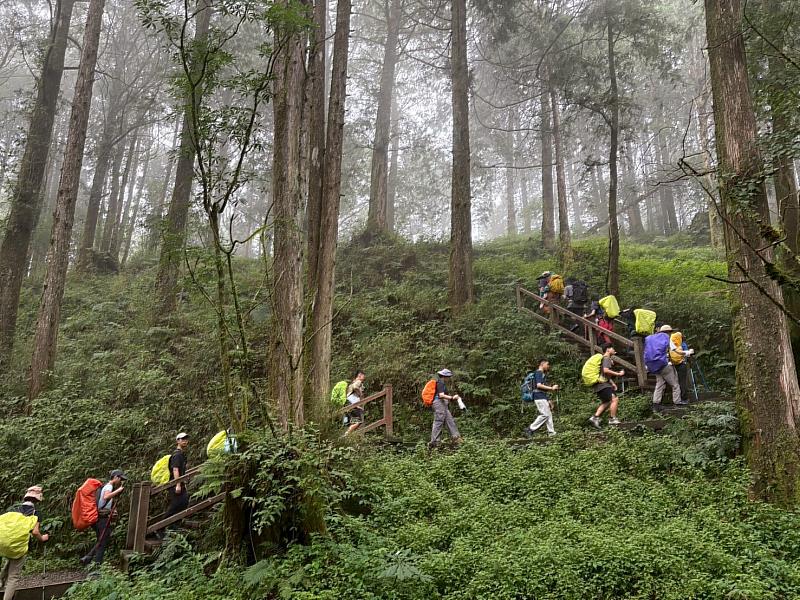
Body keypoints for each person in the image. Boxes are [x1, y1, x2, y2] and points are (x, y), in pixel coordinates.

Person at [0, 487, 49, 600]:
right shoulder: (35, 513)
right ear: (37, 500)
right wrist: (43, 538)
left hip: (4, 543)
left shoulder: (14, 509)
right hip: (19, 546)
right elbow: (35, 532)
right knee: (13, 576)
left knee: (10, 559)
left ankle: (1, 580)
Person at [80, 470, 126, 566]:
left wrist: (112, 511)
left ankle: (89, 559)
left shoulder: (106, 486)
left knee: (101, 540)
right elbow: (106, 497)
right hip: (102, 519)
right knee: (102, 541)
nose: (121, 481)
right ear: (116, 477)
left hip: (99, 518)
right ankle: (95, 563)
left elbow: (104, 502)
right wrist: (119, 490)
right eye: (120, 479)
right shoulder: (109, 486)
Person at [646, 325, 685, 409]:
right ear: (668, 332)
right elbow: (676, 350)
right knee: (675, 384)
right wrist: (687, 352)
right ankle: (677, 402)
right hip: (664, 364)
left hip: (654, 365)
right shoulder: (667, 338)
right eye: (670, 332)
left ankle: (656, 404)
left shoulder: (651, 338)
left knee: (659, 384)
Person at [588, 343, 625, 429]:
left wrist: (612, 383)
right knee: (614, 399)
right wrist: (618, 374)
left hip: (599, 385)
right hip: (603, 385)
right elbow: (606, 370)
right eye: (612, 348)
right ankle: (612, 419)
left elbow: (603, 374)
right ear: (608, 349)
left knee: (607, 401)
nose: (614, 350)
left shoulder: (603, 359)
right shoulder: (606, 358)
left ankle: (595, 418)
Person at [522, 359, 559, 438]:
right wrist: (552, 388)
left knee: (548, 414)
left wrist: (548, 400)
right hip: (538, 397)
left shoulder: (541, 374)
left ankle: (552, 433)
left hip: (542, 396)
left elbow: (542, 390)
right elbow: (539, 385)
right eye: (547, 364)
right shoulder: (538, 372)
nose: (548, 366)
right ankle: (530, 429)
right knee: (545, 414)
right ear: (542, 364)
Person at [429, 369, 463, 449]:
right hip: (439, 403)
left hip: (443, 404)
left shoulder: (442, 383)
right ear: (444, 376)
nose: (449, 378)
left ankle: (456, 438)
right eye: (448, 377)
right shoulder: (440, 383)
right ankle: (435, 441)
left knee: (449, 420)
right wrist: (452, 397)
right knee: (439, 421)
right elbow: (441, 395)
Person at [165, 433, 190, 521]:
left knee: (183, 503)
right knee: (176, 505)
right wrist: (178, 485)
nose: (185, 441)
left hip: (179, 482)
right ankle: (163, 525)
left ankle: (174, 524)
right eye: (182, 439)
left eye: (186, 439)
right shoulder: (177, 455)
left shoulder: (181, 454)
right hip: (175, 484)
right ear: (177, 441)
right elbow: (175, 469)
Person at [669, 330, 695, 403]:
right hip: (682, 364)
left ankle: (677, 398)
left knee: (675, 382)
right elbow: (687, 354)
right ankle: (684, 398)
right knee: (682, 381)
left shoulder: (671, 343)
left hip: (673, 364)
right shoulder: (682, 344)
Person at [344, 370, 367, 436]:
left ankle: (349, 437)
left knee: (352, 422)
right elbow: (355, 387)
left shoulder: (352, 382)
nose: (364, 377)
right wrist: (360, 393)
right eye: (363, 375)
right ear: (359, 375)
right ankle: (346, 435)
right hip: (352, 404)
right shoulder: (358, 381)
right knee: (357, 422)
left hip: (348, 403)